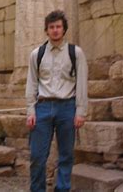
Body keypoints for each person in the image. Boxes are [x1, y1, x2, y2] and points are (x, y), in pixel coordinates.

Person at [25, 10, 88, 192]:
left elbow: (81, 83)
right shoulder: (37, 54)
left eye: (58, 27)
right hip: (42, 107)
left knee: (66, 156)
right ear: (46, 30)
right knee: (37, 156)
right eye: (51, 27)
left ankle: (62, 189)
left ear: (64, 29)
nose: (55, 30)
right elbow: (32, 83)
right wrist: (30, 110)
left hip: (67, 107)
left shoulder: (76, 53)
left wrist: (80, 111)